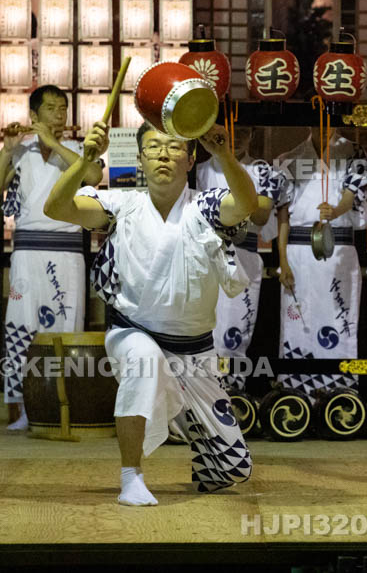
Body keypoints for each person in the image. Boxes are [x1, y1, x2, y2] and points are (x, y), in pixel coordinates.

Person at [44, 120, 257, 506]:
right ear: (140, 159)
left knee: (232, 468)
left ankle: (177, 410)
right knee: (144, 362)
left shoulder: (205, 207)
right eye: (154, 147)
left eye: (175, 148)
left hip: (194, 350)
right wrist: (85, 160)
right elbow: (56, 207)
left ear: (191, 160)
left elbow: (246, 204)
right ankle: (132, 476)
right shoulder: (120, 205)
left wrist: (224, 154)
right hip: (133, 332)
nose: (164, 154)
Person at [0, 85, 103, 431]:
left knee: (66, 329)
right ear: (33, 116)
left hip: (66, 251)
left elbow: (94, 177)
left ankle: (63, 405)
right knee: (21, 328)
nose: (59, 114)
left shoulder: (79, 150)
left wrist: (53, 144)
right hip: (26, 252)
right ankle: (24, 408)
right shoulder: (19, 150)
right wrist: (7, 151)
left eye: (63, 108)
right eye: (50, 108)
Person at [276, 127, 367, 399]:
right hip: (298, 252)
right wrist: (283, 260)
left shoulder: (354, 152)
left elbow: (350, 196)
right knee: (298, 322)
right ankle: (296, 394)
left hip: (338, 248)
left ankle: (339, 394)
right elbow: (283, 216)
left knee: (339, 320)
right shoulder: (288, 159)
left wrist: (336, 210)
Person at [195, 125, 289, 390]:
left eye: (244, 132)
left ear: (253, 135)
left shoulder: (264, 172)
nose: (236, 139)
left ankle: (232, 394)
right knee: (203, 333)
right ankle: (203, 394)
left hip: (244, 256)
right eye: (230, 132)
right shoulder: (201, 170)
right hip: (205, 257)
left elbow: (261, 216)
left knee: (233, 336)